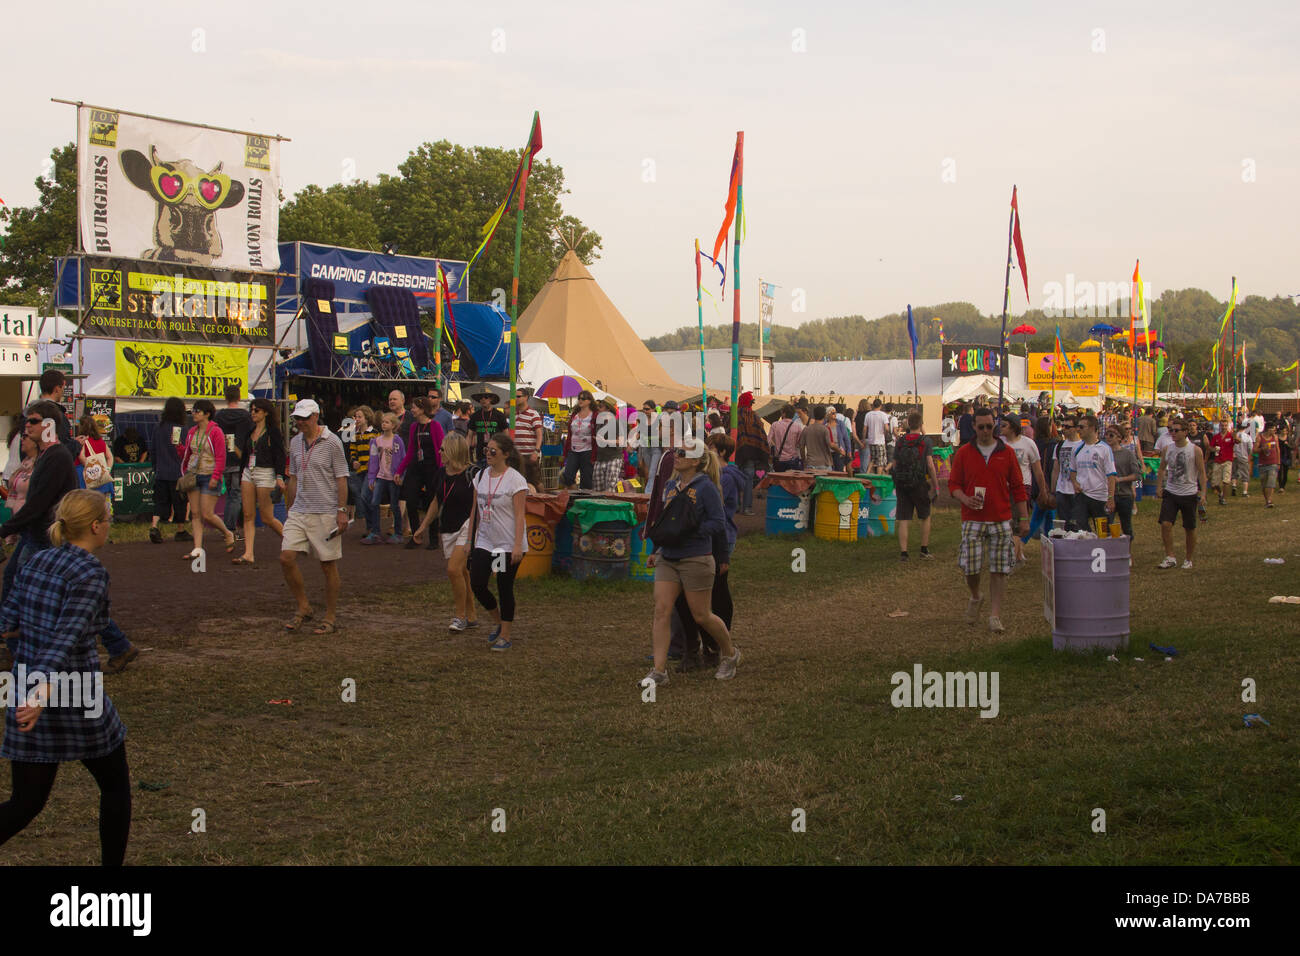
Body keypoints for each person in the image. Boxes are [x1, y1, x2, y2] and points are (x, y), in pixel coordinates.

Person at [0, 490, 131, 866]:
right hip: (71, 691)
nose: (109, 525)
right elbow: (66, 637)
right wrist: (42, 692)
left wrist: (34, 684)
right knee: (115, 786)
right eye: (107, 519)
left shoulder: (38, 560)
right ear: (95, 526)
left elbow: (8, 622)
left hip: (28, 688)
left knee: (25, 803)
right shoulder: (90, 572)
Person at [643, 445, 741, 686]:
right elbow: (667, 522)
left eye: (683, 453)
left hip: (696, 557)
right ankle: (659, 671)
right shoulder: (670, 486)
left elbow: (718, 522)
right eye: (677, 451)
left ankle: (730, 653)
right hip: (668, 557)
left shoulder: (706, 487)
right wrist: (657, 550)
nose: (677, 456)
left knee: (702, 615)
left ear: (697, 461)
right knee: (661, 610)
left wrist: (694, 534)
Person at [947, 407, 1030, 634]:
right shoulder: (964, 452)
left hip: (1001, 518)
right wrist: (965, 498)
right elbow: (953, 484)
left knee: (999, 568)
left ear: (995, 425)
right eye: (981, 426)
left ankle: (995, 615)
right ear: (973, 427)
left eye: (989, 426)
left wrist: (1023, 518)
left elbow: (1018, 488)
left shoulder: (1007, 452)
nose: (985, 430)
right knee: (970, 567)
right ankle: (976, 595)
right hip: (972, 517)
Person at [280, 399, 349, 635]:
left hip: (326, 511)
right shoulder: (295, 441)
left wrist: (341, 511)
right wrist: (289, 507)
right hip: (300, 509)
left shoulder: (333, 442)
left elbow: (341, 478)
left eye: (304, 418)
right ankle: (304, 606)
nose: (300, 422)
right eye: (297, 419)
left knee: (328, 565)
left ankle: (330, 616)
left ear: (316, 416)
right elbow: (294, 478)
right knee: (286, 557)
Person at [676, 435, 742, 672]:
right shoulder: (677, 483)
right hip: (687, 549)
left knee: (715, 598)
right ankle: (692, 648)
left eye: (713, 446)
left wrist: (723, 555)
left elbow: (721, 523)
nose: (677, 455)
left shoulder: (714, 484)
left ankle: (715, 648)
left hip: (712, 546)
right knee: (683, 600)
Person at [414, 431, 480, 632]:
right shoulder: (441, 473)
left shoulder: (473, 474)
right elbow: (436, 501)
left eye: (442, 448)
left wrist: (472, 533)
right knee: (462, 572)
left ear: (452, 450)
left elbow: (478, 505)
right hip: (448, 526)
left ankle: (459, 616)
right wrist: (424, 525)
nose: (439, 452)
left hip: (468, 525)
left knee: (453, 569)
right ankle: (472, 615)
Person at [470, 434, 528, 651]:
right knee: (477, 582)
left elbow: (520, 515)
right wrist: (470, 539)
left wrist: (516, 546)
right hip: (485, 541)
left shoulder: (515, 480)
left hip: (505, 545)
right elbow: (475, 508)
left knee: (503, 585)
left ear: (505, 454)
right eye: (487, 450)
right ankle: (497, 620)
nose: (489, 454)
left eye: (493, 451)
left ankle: (505, 634)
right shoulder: (481, 475)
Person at [178, 399, 236, 559]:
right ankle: (197, 549)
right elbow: (188, 454)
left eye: (197, 411)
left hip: (210, 474)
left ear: (207, 414)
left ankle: (227, 532)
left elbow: (221, 457)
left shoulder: (216, 432)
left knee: (207, 513)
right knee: (195, 514)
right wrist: (179, 448)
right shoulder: (192, 432)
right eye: (194, 411)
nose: (194, 414)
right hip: (194, 475)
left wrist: (216, 476)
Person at [232, 398, 287, 565]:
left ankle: (293, 541)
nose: (253, 413)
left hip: (266, 473)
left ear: (266, 412)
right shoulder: (250, 431)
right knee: (248, 514)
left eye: (256, 410)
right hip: (249, 472)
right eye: (252, 410)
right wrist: (242, 471)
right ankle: (248, 553)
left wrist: (279, 476)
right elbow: (246, 454)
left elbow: (280, 455)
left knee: (267, 517)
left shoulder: (273, 432)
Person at [1155, 418, 1207, 570]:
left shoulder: (1195, 450)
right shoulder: (1168, 449)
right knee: (1165, 524)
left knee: (1189, 528)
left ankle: (1188, 559)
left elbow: (1202, 473)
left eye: (1176, 430)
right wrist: (1159, 486)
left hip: (1189, 493)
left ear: (1185, 432)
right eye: (1171, 430)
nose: (1173, 433)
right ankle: (1170, 556)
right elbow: (1162, 468)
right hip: (1171, 491)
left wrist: (1203, 493)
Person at [395, 396, 445, 550]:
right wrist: (400, 470)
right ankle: (416, 536)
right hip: (415, 468)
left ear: (422, 409)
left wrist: (442, 471)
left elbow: (441, 450)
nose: (412, 410)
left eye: (414, 407)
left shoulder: (435, 426)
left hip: (432, 469)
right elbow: (410, 451)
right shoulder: (413, 427)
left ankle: (433, 538)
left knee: (432, 503)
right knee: (410, 501)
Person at [893, 410, 938, 561]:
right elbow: (930, 465)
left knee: (904, 519)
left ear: (908, 424)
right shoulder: (926, 441)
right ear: (921, 424)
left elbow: (894, 464)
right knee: (925, 516)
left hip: (902, 483)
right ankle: (924, 549)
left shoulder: (900, 441)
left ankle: (903, 553)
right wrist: (935, 484)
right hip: (919, 482)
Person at [213, 385, 253, 537]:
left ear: (225, 397)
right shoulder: (246, 416)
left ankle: (231, 527)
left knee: (231, 492)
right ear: (239, 397)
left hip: (223, 458)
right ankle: (230, 528)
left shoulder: (219, 416)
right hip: (240, 458)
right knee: (236, 494)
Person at [149, 397, 189, 544]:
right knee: (180, 503)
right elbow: (185, 451)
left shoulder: (158, 427)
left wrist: (155, 467)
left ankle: (154, 526)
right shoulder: (182, 429)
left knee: (160, 502)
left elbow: (152, 450)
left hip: (161, 472)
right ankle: (180, 530)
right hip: (177, 473)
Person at [1068, 415, 1117, 531]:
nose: (1078, 430)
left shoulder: (1104, 449)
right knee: (1077, 526)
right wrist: (1075, 483)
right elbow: (1072, 470)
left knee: (1103, 531)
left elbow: (1111, 475)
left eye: (1081, 427)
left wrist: (1110, 497)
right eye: (1077, 427)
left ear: (1092, 428)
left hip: (1100, 496)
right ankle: (1087, 544)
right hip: (1082, 495)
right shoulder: (1077, 448)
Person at [364, 412, 406, 545]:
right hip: (381, 476)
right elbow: (373, 461)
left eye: (387, 422)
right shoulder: (376, 441)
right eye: (383, 421)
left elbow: (403, 458)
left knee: (394, 505)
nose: (384, 424)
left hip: (393, 477)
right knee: (374, 502)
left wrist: (400, 474)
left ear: (393, 425)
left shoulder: (397, 440)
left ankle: (398, 533)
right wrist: (371, 478)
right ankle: (375, 532)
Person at [1105, 423, 1141, 541]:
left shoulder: (1128, 454)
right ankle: (1109, 552)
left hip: (1124, 495)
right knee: (1106, 527)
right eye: (1106, 434)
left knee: (1126, 527)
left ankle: (1127, 554)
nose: (1108, 437)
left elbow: (1137, 474)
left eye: (1111, 435)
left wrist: (1120, 479)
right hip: (1107, 495)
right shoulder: (1103, 453)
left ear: (1119, 438)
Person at [343, 406, 377, 528]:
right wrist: (354, 461)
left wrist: (371, 462)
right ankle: (370, 526)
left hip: (371, 470)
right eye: (355, 417)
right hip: (359, 470)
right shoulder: (355, 434)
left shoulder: (374, 433)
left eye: (359, 417)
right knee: (365, 497)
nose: (356, 419)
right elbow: (352, 450)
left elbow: (377, 451)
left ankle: (372, 525)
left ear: (367, 418)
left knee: (364, 495)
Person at [1026, 415, 1058, 541]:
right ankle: (1020, 543)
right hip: (1046, 484)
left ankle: (1050, 543)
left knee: (1047, 517)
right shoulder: (1051, 446)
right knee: (1038, 519)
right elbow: (1052, 468)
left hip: (1035, 483)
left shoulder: (1034, 444)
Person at [1049, 416, 1082, 531]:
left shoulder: (1082, 445)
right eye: (1063, 426)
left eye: (1067, 426)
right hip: (1061, 490)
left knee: (1077, 523)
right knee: (1064, 523)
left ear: (1076, 428)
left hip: (1077, 491)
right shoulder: (1059, 446)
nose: (1064, 429)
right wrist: (1053, 491)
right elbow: (1055, 469)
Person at [562, 390, 597, 490]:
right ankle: (575, 496)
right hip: (573, 450)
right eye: (579, 398)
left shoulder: (594, 415)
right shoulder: (575, 414)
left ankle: (584, 500)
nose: (580, 400)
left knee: (586, 479)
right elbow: (569, 434)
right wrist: (565, 452)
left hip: (588, 451)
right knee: (567, 476)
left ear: (589, 401)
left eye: (583, 398)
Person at [75, 415, 115, 497]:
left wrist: (92, 467)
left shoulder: (81, 440)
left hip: (85, 478)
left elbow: (81, 456)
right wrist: (107, 469)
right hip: (103, 480)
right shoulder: (100, 440)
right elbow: (110, 457)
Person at [512, 386, 544, 488]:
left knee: (535, 481)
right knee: (518, 482)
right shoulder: (513, 414)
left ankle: (544, 500)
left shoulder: (533, 414)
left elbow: (539, 434)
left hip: (529, 454)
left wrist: (536, 451)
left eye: (518, 396)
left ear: (526, 397)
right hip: (517, 455)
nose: (516, 398)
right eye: (514, 396)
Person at [593, 396, 624, 492]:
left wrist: (605, 441)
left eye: (601, 406)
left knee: (609, 489)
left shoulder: (616, 423)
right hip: (600, 458)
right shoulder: (600, 423)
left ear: (607, 409)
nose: (598, 408)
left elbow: (621, 441)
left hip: (613, 458)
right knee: (597, 489)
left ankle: (610, 507)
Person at [468, 390, 509, 464]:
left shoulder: (499, 415)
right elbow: (469, 435)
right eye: (481, 398)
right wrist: (466, 450)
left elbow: (506, 434)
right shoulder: (475, 416)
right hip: (480, 453)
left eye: (486, 397)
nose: (483, 399)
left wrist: (506, 450)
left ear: (491, 399)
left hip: (496, 453)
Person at [799, 405, 836, 472]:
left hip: (810, 463)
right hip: (825, 464)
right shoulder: (825, 429)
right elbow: (830, 445)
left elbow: (801, 447)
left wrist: (804, 460)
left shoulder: (806, 429)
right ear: (824, 416)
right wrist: (839, 450)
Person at [768, 404, 803, 473]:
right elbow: (799, 444)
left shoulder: (775, 425)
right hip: (793, 460)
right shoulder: (798, 426)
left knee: (779, 481)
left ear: (783, 413)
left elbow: (768, 441)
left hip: (779, 460)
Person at [1209, 418, 1234, 505]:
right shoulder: (1216, 437)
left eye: (1225, 425)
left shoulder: (1231, 436)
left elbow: (1238, 441)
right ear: (1219, 426)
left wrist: (1236, 436)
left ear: (1228, 426)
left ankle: (1224, 499)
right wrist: (1214, 449)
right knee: (1215, 483)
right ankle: (1220, 494)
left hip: (1228, 460)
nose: (1224, 427)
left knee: (1226, 481)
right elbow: (1210, 447)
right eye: (1222, 425)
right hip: (1217, 460)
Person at [1256, 420, 1280, 508]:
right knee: (1264, 484)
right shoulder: (1259, 437)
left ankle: (1269, 500)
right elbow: (1254, 450)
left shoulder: (1275, 437)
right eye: (1273, 429)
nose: (1274, 431)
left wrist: (1278, 462)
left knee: (1271, 482)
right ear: (1268, 429)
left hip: (1273, 463)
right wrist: (1262, 449)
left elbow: (1278, 450)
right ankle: (1267, 500)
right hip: (1262, 463)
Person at [863, 399, 891, 474]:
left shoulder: (868, 414)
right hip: (880, 440)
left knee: (872, 459)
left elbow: (865, 428)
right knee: (880, 462)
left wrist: (863, 439)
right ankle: (878, 477)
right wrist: (885, 433)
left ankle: (867, 473)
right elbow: (887, 428)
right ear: (880, 406)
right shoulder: (883, 415)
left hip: (871, 440)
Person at [1233, 420, 1253, 498]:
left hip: (1234, 456)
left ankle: (1234, 485)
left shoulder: (1234, 436)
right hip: (1243, 456)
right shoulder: (1247, 437)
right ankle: (1245, 492)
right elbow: (1250, 448)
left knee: (1234, 472)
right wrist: (1248, 455)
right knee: (1245, 474)